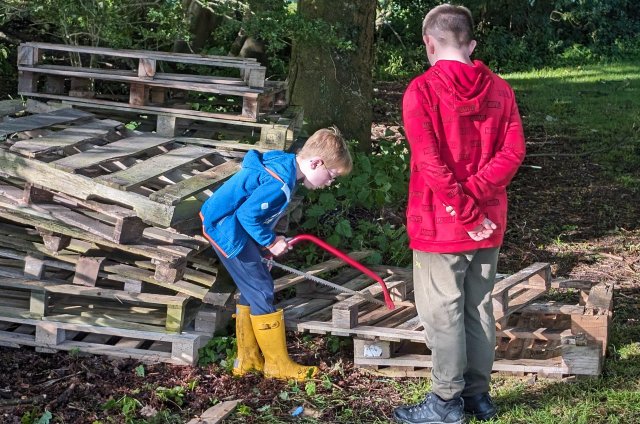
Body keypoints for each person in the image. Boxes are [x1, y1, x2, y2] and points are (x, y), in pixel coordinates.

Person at [393, 4, 526, 424]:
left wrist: (465, 210)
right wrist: (477, 203)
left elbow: (430, 164)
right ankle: (478, 397)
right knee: (477, 307)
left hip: (441, 222)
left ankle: (446, 402)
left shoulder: (421, 90)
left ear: (429, 44)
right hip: (487, 221)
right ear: (470, 44)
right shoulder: (501, 90)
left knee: (443, 312)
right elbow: (513, 152)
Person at [200, 127, 352, 382]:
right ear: (315, 163)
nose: (330, 183)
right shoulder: (280, 182)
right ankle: (277, 365)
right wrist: (270, 242)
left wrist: (262, 249)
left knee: (254, 288)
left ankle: (247, 360)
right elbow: (247, 215)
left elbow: (255, 214)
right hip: (227, 229)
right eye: (331, 175)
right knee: (262, 289)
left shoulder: (284, 168)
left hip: (228, 224)